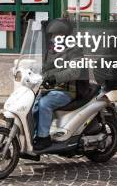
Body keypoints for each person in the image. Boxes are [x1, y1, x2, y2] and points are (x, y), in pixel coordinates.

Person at [32, 18, 83, 150]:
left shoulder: (74, 49)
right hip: (50, 88)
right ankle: (33, 135)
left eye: (57, 35)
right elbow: (48, 65)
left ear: (65, 35)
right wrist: (33, 69)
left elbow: (74, 72)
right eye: (53, 35)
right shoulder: (52, 49)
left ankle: (43, 138)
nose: (54, 38)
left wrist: (55, 78)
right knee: (32, 103)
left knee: (45, 104)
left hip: (66, 90)